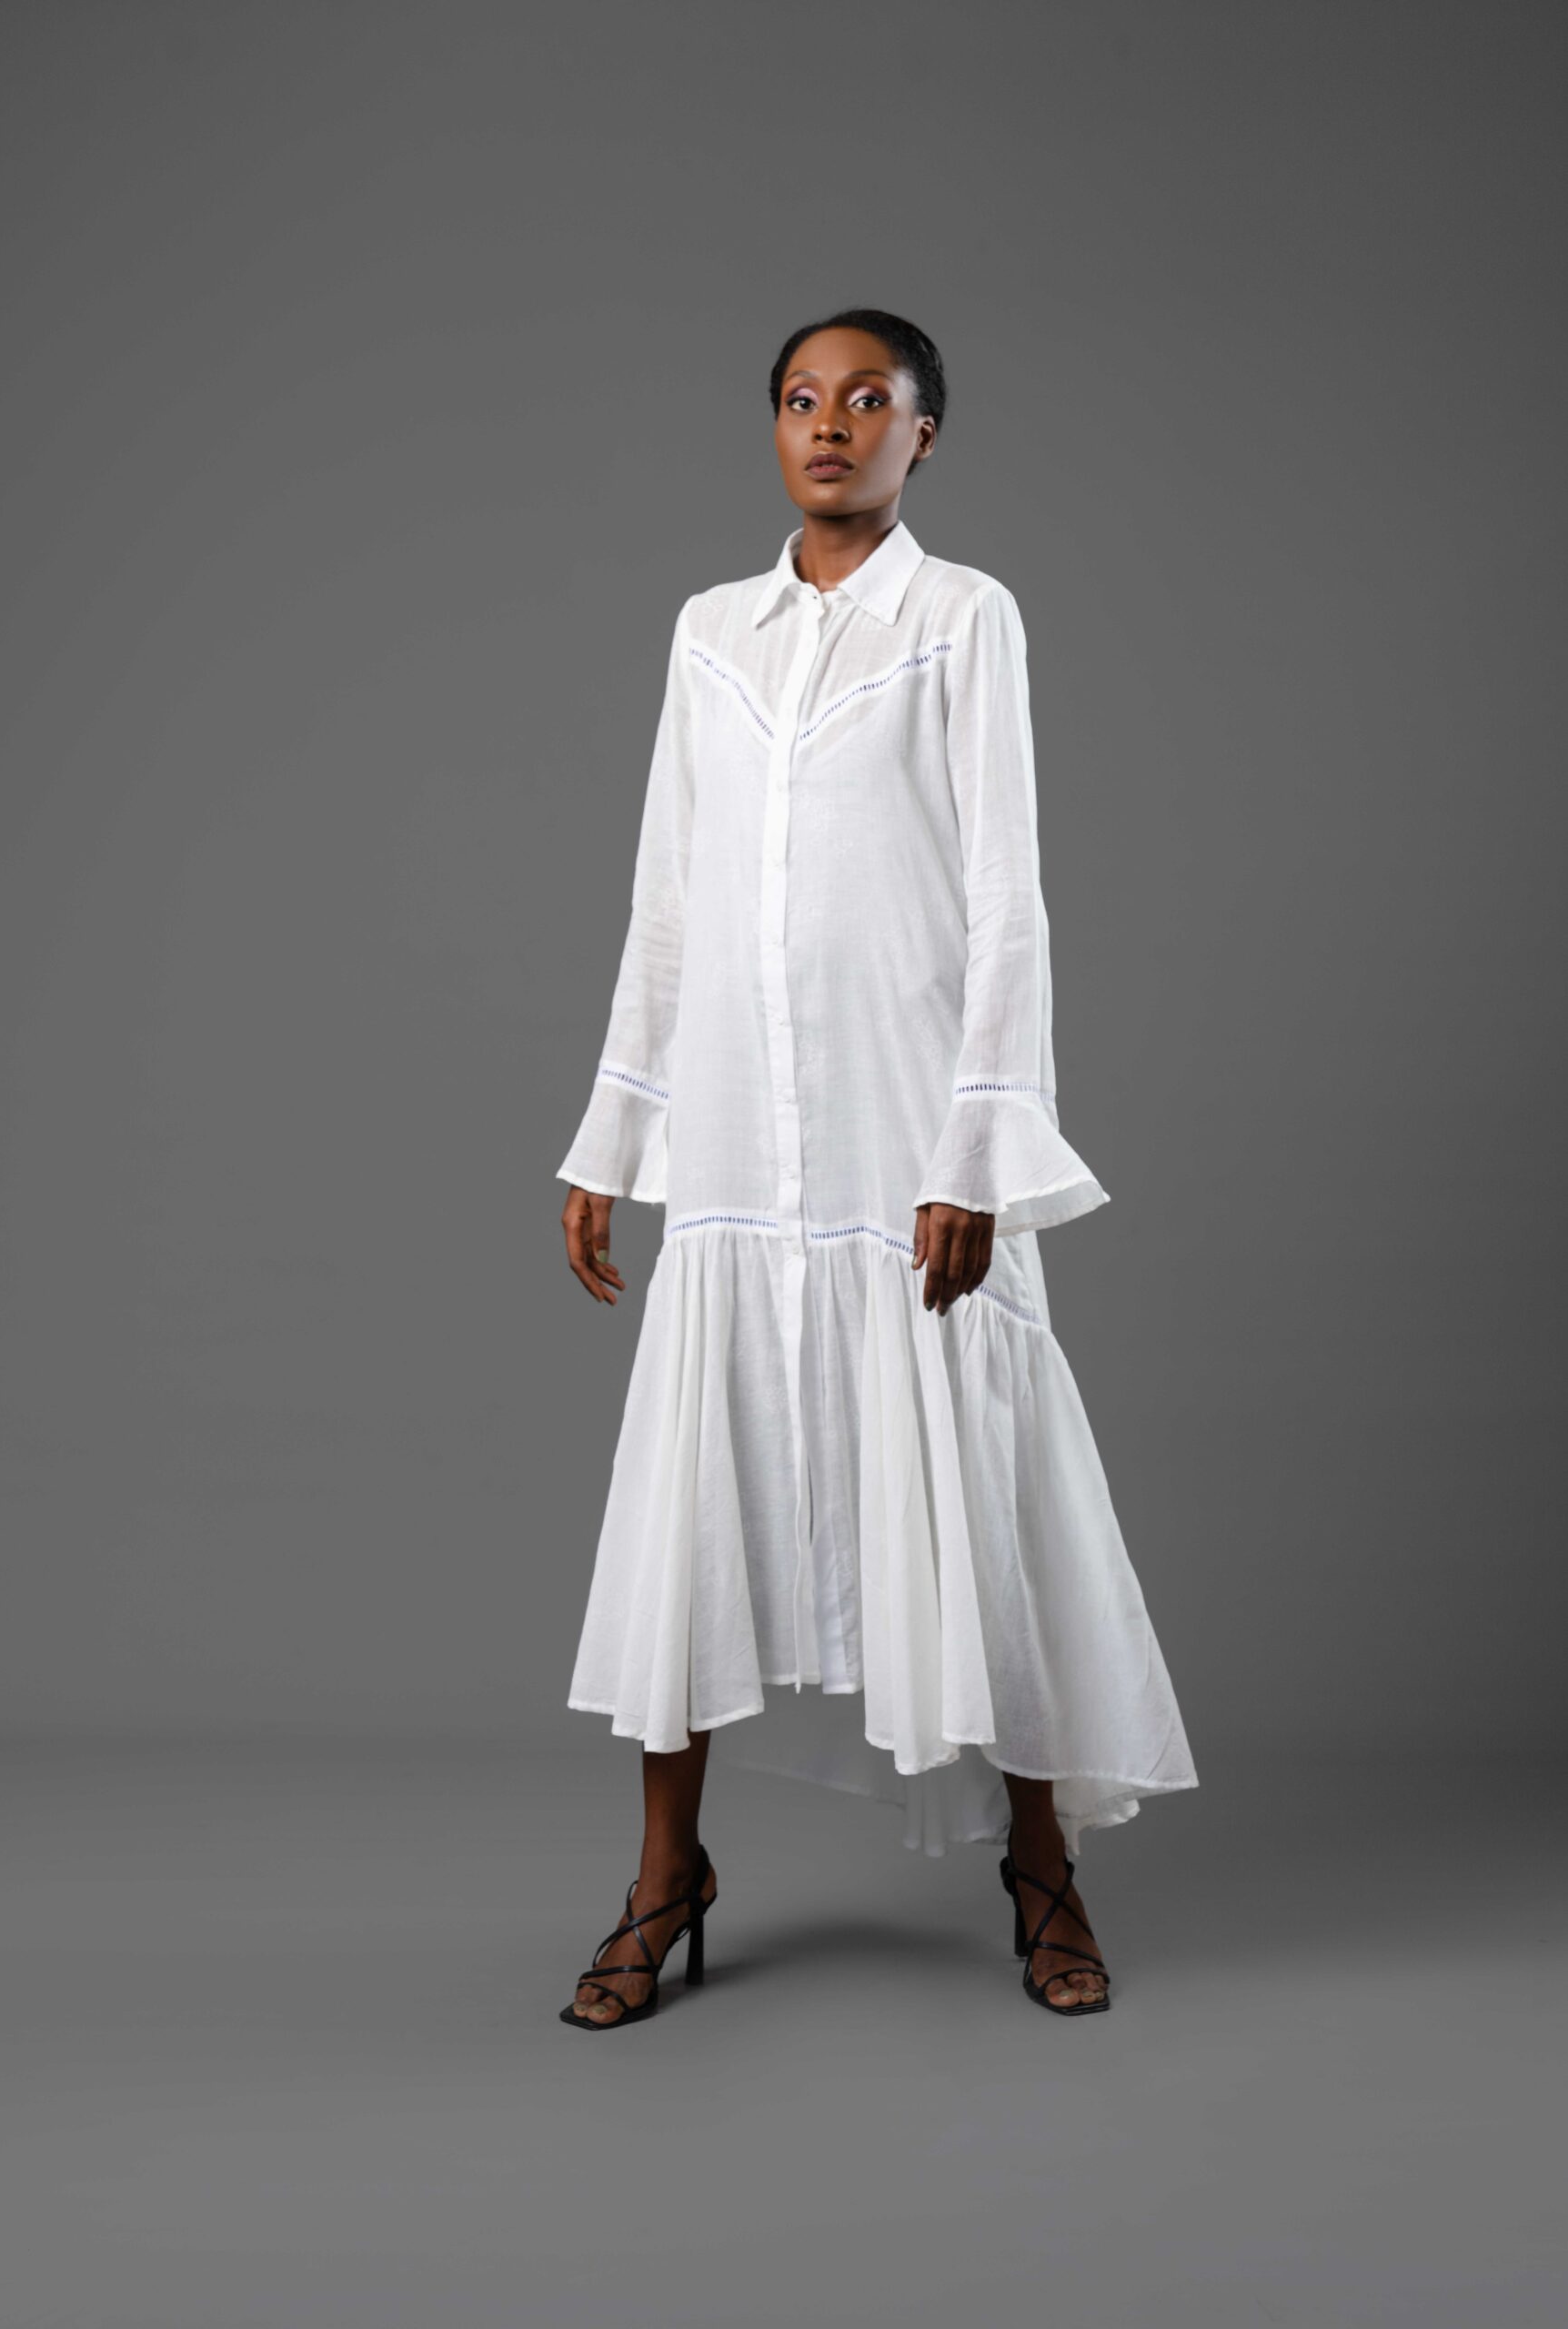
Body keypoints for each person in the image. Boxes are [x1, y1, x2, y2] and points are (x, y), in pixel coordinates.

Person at [553, 308, 1198, 2028]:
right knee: (697, 1502)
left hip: (901, 1128)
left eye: (866, 401)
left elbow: (1004, 895)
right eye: (799, 400)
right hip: (736, 1138)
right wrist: (617, 1130)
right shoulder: (711, 631)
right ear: (773, 429)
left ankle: (1042, 1868)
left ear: (923, 435)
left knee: (977, 1489)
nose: (827, 425)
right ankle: (664, 1877)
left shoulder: (963, 617)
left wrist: (975, 1147)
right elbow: (668, 896)